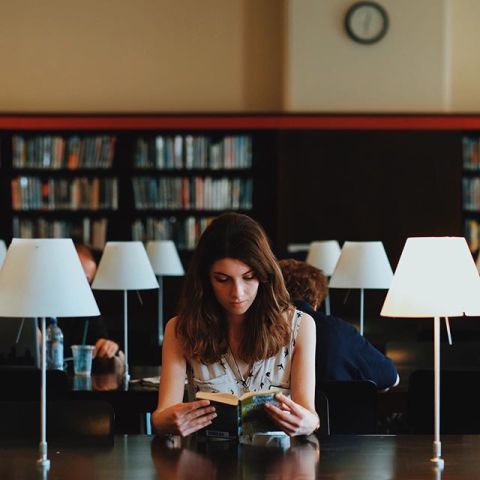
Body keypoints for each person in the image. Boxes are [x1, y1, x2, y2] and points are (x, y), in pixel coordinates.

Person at [151, 213, 319, 437]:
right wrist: (167, 421)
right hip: (207, 463)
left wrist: (309, 423)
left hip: (278, 465)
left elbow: (310, 414)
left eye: (248, 277)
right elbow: (161, 416)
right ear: (205, 280)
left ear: (263, 275)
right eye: (222, 279)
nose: (237, 293)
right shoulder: (181, 329)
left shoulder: (300, 327)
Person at [278, 258, 399, 391]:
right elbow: (391, 377)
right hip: (338, 411)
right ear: (316, 300)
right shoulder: (338, 330)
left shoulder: (261, 327)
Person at [58, 244, 124, 370]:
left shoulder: (86, 308)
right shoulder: (38, 307)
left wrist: (111, 348)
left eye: (87, 281)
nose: (83, 285)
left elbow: (106, 344)